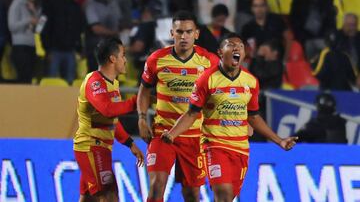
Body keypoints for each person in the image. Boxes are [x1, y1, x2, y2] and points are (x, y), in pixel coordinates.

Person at [161, 33, 298, 201]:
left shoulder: (251, 81)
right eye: (231, 45)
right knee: (224, 194)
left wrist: (280, 141)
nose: (236, 48)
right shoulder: (207, 79)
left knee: (229, 197)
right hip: (215, 146)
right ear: (220, 52)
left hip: (240, 149)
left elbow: (253, 117)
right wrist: (172, 134)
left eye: (240, 46)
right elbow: (191, 113)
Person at [137, 11, 219, 202]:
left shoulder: (209, 62)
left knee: (192, 195)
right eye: (180, 31)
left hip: (195, 138)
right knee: (157, 186)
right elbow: (143, 91)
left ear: (196, 34)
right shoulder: (156, 59)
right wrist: (141, 118)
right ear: (172, 33)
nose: (184, 36)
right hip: (162, 134)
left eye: (189, 32)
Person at [73, 37, 144, 202]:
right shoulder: (95, 82)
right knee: (110, 195)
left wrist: (130, 143)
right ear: (113, 58)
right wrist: (137, 101)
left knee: (89, 199)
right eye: (123, 55)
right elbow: (107, 110)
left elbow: (112, 121)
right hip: (91, 146)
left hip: (101, 147)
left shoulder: (113, 84)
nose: (125, 60)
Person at [8, 0, 40, 83]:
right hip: (20, 47)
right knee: (23, 79)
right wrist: (28, 20)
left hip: (32, 46)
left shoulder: (32, 5)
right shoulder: (16, 4)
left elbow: (39, 28)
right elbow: (12, 26)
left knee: (30, 79)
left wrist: (34, 11)